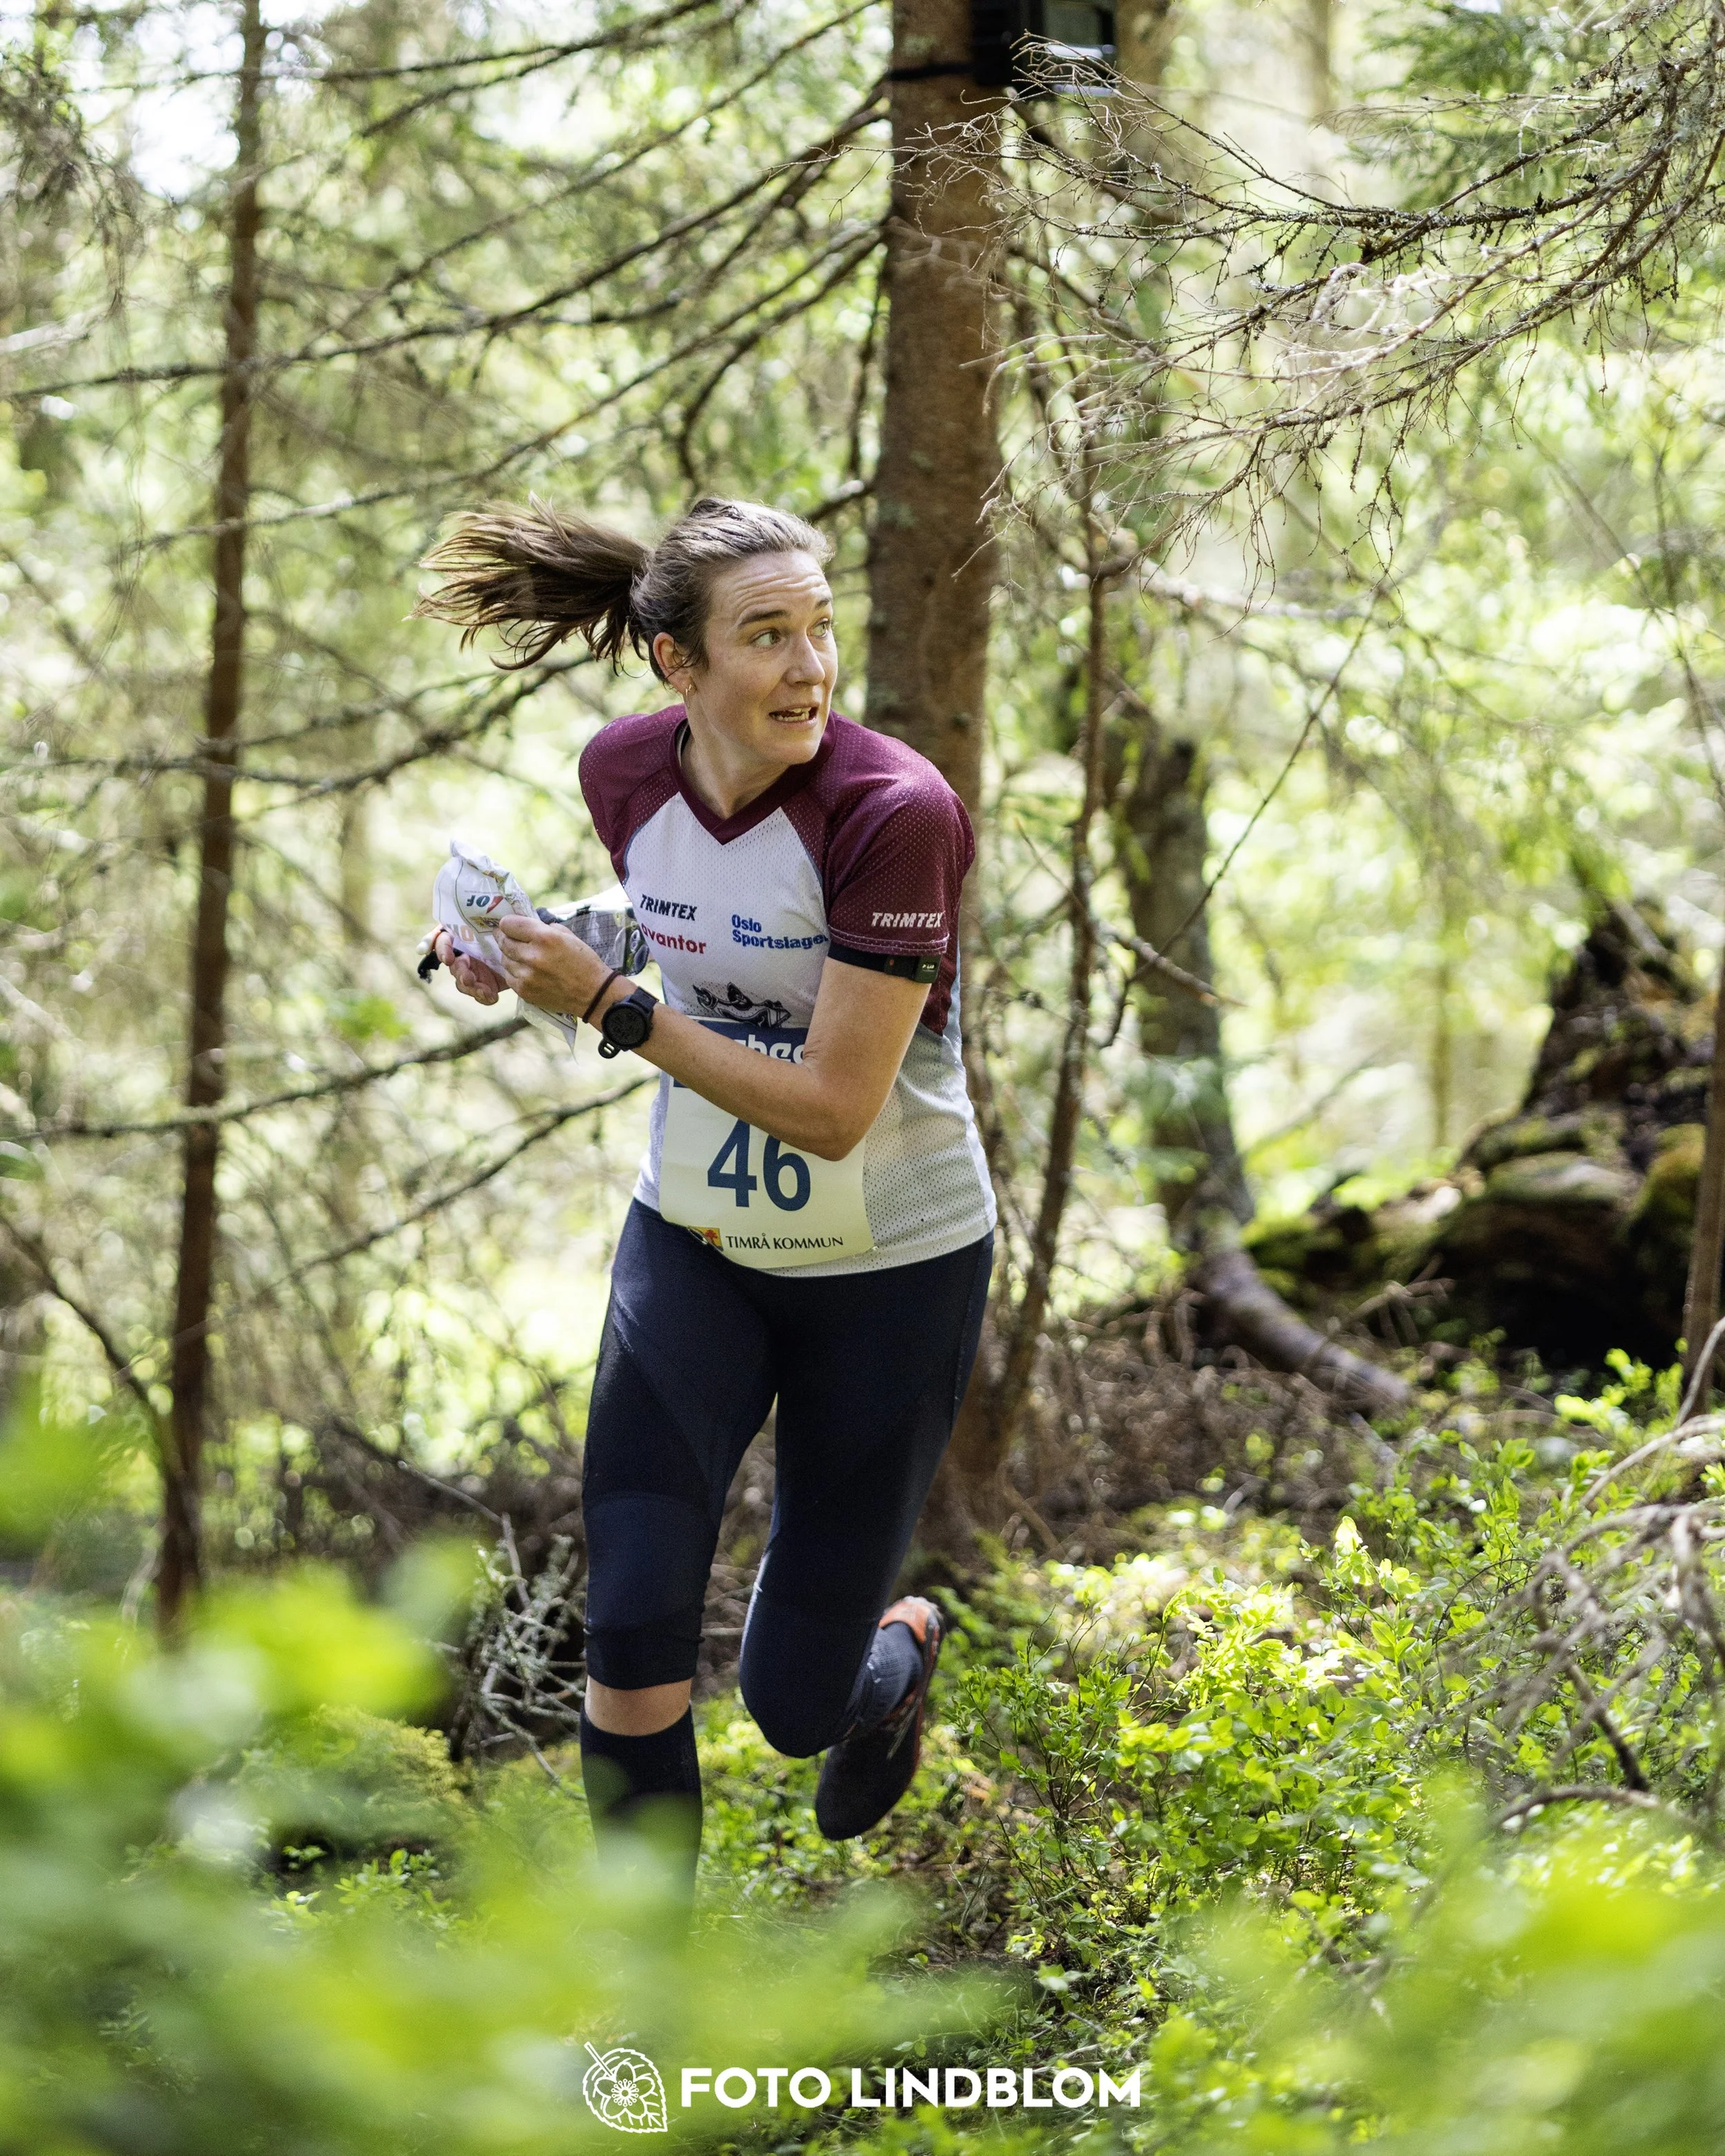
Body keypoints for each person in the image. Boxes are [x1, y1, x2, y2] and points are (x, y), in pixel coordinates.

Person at [415, 495, 996, 1875]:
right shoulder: (620, 769)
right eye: (767, 638)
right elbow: (689, 918)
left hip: (888, 1273)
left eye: (819, 632)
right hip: (698, 1242)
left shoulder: (892, 810)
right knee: (629, 1629)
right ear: (677, 666)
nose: (808, 669)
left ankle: (889, 1650)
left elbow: (836, 1109)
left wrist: (609, 1005)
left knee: (793, 1709)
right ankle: (645, 2025)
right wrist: (526, 944)